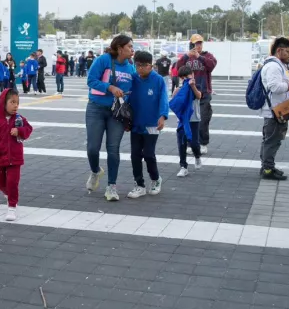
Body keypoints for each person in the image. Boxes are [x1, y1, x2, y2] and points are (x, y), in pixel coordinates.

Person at [85, 35, 135, 201]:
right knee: (93, 148)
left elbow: (133, 92)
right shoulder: (103, 60)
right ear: (120, 48)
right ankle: (95, 171)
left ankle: (111, 186)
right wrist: (110, 87)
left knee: (113, 149)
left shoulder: (131, 68)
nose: (132, 49)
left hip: (117, 113)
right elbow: (91, 80)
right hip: (96, 108)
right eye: (129, 46)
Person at [0, 88, 33, 221]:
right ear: (3, 103)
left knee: (12, 182)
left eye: (17, 103)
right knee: (1, 183)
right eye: (12, 102)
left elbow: (28, 129)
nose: (15, 106)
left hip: (15, 158)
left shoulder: (19, 119)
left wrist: (19, 131)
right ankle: (8, 194)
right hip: (1, 157)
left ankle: (12, 207)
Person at [260, 37, 289, 180]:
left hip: (278, 110)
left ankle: (268, 166)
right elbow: (275, 87)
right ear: (279, 50)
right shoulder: (273, 66)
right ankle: (267, 169)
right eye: (288, 51)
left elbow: (281, 82)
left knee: (272, 140)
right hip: (275, 111)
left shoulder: (279, 65)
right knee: (272, 141)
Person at [127, 51, 168, 198]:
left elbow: (163, 99)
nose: (141, 68)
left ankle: (156, 179)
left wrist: (163, 116)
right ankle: (139, 185)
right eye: (138, 65)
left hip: (152, 124)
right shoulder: (133, 78)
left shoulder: (158, 80)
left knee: (149, 154)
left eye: (144, 65)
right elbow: (126, 98)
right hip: (136, 124)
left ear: (151, 65)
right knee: (135, 155)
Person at [176, 34, 217, 155]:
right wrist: (186, 56)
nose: (198, 46)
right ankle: (190, 143)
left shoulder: (207, 56)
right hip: (189, 94)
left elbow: (211, 66)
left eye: (200, 43)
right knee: (189, 119)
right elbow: (178, 68)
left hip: (204, 93)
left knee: (203, 119)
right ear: (191, 45)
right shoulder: (187, 57)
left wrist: (199, 57)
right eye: (196, 44)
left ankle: (203, 143)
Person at [172, 65, 202, 177]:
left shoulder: (196, 86)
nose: (186, 79)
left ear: (192, 75)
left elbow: (199, 96)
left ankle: (197, 156)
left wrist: (192, 86)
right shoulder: (180, 89)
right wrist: (175, 93)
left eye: (188, 76)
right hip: (182, 120)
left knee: (194, 143)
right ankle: (183, 166)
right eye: (183, 77)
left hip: (194, 119)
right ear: (181, 78)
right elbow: (175, 103)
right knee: (182, 143)